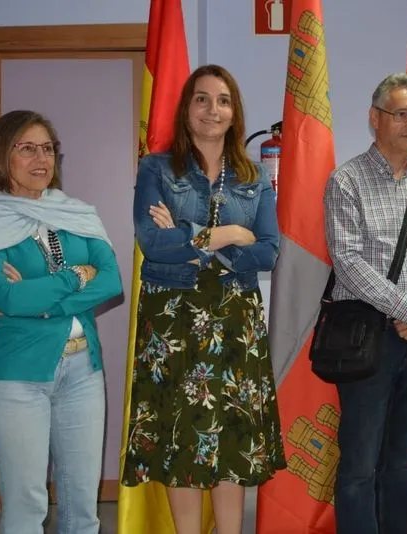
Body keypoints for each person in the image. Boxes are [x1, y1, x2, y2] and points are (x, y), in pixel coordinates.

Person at [121, 64, 285, 534]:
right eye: (202, 99)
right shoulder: (156, 167)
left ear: (235, 113)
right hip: (173, 323)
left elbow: (270, 251)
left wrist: (195, 240)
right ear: (186, 109)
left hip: (236, 323)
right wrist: (230, 233)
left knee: (231, 438)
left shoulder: (253, 178)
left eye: (223, 100)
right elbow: (151, 242)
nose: (213, 109)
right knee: (180, 439)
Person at [0, 110, 122, 534]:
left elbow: (111, 281)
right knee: (26, 504)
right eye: (27, 148)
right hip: (16, 376)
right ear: (1, 157)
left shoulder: (76, 214)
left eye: (48, 148)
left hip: (83, 371)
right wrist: (73, 277)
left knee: (82, 504)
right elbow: (8, 297)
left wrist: (42, 295)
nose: (41, 158)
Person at [324, 72, 407, 533]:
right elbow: (348, 262)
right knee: (360, 464)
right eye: (402, 114)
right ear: (375, 119)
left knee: (401, 460)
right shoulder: (347, 181)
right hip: (367, 343)